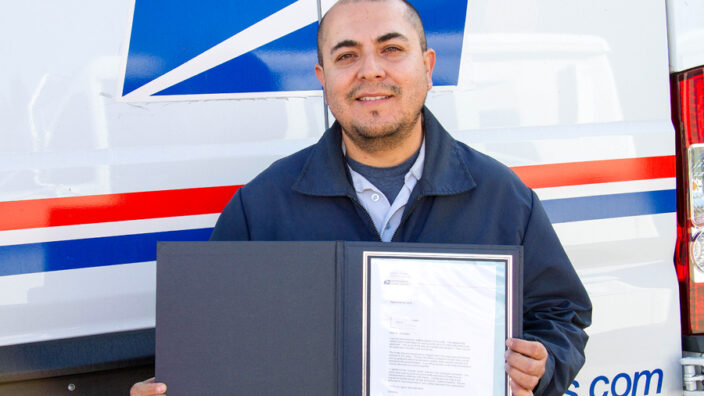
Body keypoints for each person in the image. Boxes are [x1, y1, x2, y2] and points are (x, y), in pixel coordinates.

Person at [131, 0, 591, 395]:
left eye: (391, 49)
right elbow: (213, 345)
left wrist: (544, 363)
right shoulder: (261, 207)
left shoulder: (502, 197)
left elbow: (561, 315)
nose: (370, 69)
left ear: (428, 67)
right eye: (347, 55)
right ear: (323, 77)